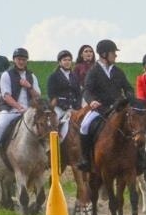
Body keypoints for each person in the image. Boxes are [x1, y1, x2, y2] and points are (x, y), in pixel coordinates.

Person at [77, 38, 130, 171]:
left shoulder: (118, 71)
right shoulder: (94, 71)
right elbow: (87, 90)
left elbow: (128, 88)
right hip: (100, 108)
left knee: (136, 124)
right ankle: (85, 159)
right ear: (104, 54)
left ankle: (139, 159)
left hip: (118, 108)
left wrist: (130, 97)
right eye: (113, 53)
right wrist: (91, 101)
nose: (115, 55)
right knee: (84, 126)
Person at [0, 48, 38, 163]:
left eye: (23, 59)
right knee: (0, 126)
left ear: (27, 61)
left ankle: (44, 156)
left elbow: (37, 96)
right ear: (14, 60)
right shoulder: (6, 75)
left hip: (29, 110)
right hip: (10, 110)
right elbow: (6, 96)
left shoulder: (32, 76)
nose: (21, 62)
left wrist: (29, 86)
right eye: (19, 59)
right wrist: (19, 107)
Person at [47, 50, 82, 141]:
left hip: (74, 108)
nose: (67, 62)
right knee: (53, 123)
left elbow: (79, 94)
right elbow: (52, 95)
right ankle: (52, 144)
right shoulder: (53, 76)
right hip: (59, 108)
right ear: (60, 62)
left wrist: (77, 107)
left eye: (69, 60)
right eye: (64, 60)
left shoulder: (74, 77)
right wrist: (66, 107)